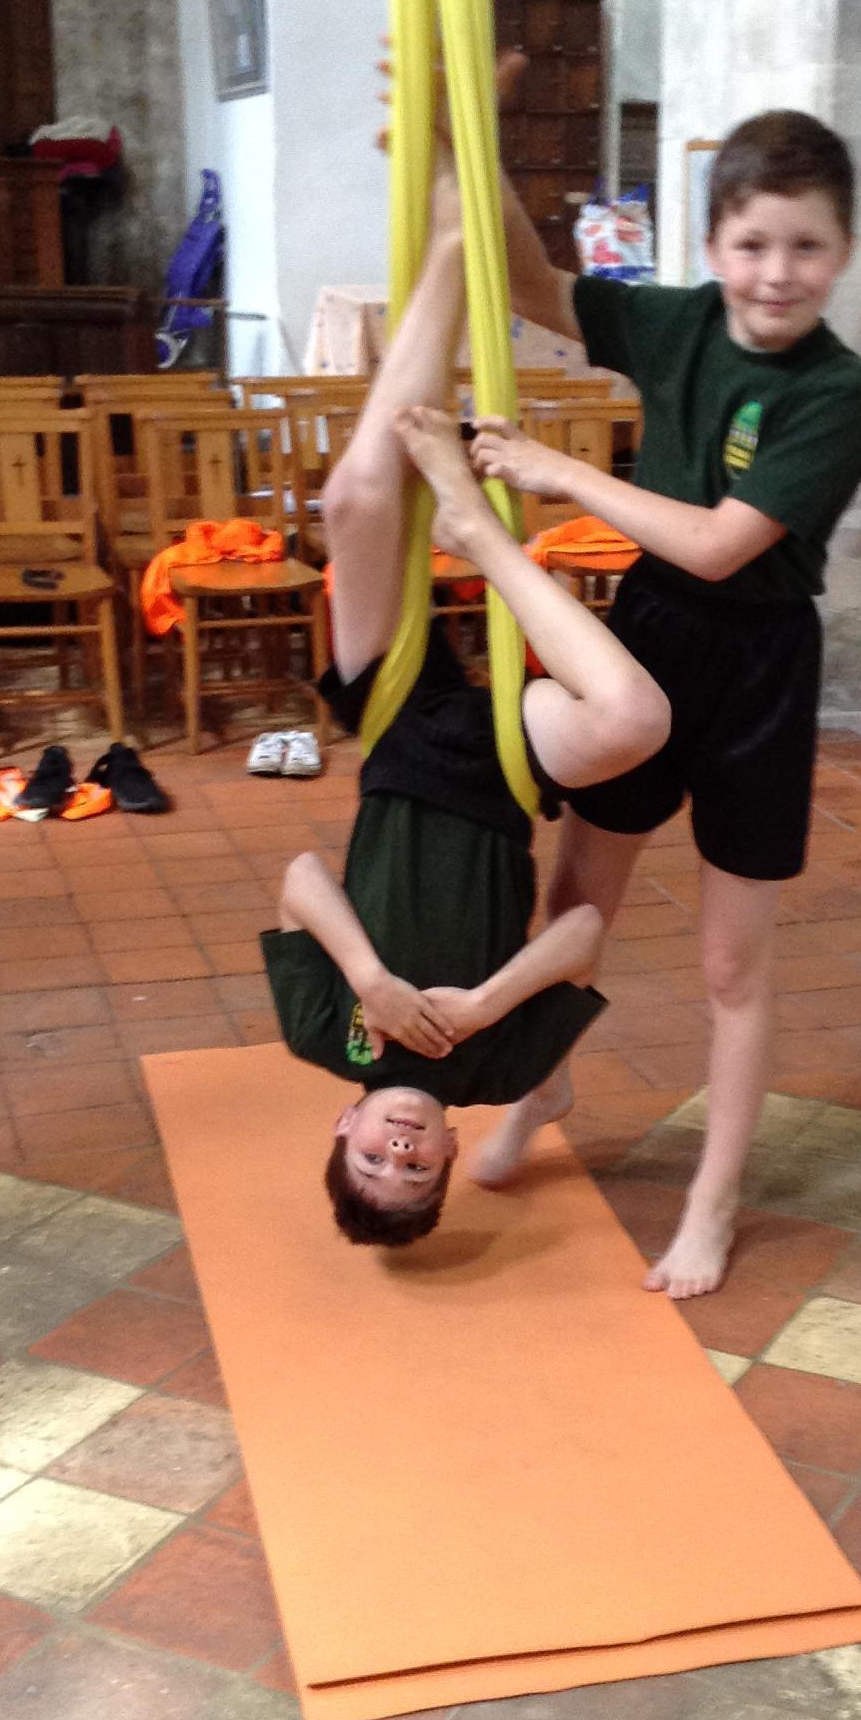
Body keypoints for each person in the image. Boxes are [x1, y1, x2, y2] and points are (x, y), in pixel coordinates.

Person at [466, 106, 861, 1300]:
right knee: (573, 906)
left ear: (843, 251)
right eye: (752, 244)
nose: (776, 273)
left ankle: (712, 1203)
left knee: (729, 966)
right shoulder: (680, 321)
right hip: (648, 640)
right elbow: (532, 283)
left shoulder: (838, 391)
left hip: (760, 671)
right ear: (712, 246)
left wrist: (555, 471)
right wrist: (476, 139)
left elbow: (716, 544)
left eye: (805, 246)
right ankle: (543, 1079)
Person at [263, 159, 670, 1248]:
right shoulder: (494, 1067)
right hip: (499, 777)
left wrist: (369, 978)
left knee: (354, 499)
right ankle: (481, 538)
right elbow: (581, 932)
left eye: (372, 1158)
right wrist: (486, 1006)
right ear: (447, 1155)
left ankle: (451, 236)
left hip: (398, 742)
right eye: (414, 1169)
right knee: (635, 722)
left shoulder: (325, 1037)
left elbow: (299, 880)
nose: (398, 1147)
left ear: (344, 1126)